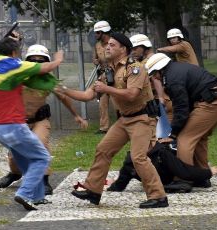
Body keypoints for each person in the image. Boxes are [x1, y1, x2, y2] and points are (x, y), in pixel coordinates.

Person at [62, 32, 168, 209]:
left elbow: (132, 95)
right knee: (103, 149)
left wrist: (106, 89)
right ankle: (93, 190)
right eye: (107, 45)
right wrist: (64, 90)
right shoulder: (109, 71)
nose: (107, 47)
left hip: (142, 118)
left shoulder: (135, 68)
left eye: (112, 45)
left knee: (138, 157)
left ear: (123, 49)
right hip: (125, 119)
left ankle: (158, 196)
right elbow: (88, 95)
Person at [0, 17, 63, 210]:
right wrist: (59, 59)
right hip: (14, 125)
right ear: (14, 53)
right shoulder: (15, 65)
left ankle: (37, 196)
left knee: (27, 160)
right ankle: (24, 193)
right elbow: (45, 67)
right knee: (41, 158)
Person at [0, 44, 89, 194]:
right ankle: (15, 173)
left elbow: (63, 97)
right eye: (33, 60)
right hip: (19, 122)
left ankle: (44, 179)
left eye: (41, 61)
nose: (37, 64)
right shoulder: (19, 75)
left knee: (41, 146)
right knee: (14, 152)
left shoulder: (48, 80)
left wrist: (76, 115)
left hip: (39, 119)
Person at [145, 53, 217, 193]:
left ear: (159, 70)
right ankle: (202, 176)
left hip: (212, 103)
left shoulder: (172, 79)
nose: (154, 78)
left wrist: (174, 133)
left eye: (153, 74)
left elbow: (181, 108)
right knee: (199, 137)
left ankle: (183, 180)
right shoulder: (177, 69)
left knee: (185, 138)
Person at [92, 21, 112, 134]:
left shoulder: (114, 43)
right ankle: (104, 127)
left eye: (97, 32)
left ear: (104, 32)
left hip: (115, 74)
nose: (95, 35)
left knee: (118, 100)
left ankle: (123, 124)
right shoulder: (97, 45)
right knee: (102, 102)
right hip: (102, 75)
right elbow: (95, 58)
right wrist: (95, 61)